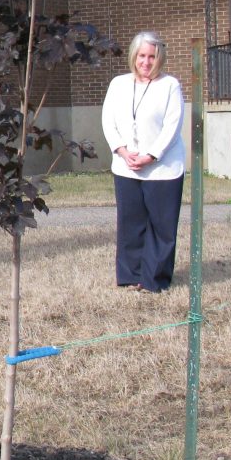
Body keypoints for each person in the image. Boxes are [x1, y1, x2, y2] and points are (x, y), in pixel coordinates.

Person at [101, 31, 186, 294]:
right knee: (130, 224)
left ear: (159, 58)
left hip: (163, 168)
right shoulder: (118, 84)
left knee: (162, 226)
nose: (146, 62)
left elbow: (173, 126)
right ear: (133, 57)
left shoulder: (170, 85)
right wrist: (123, 151)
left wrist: (151, 155)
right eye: (142, 56)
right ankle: (130, 276)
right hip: (126, 166)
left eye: (152, 56)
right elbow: (108, 121)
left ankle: (154, 279)